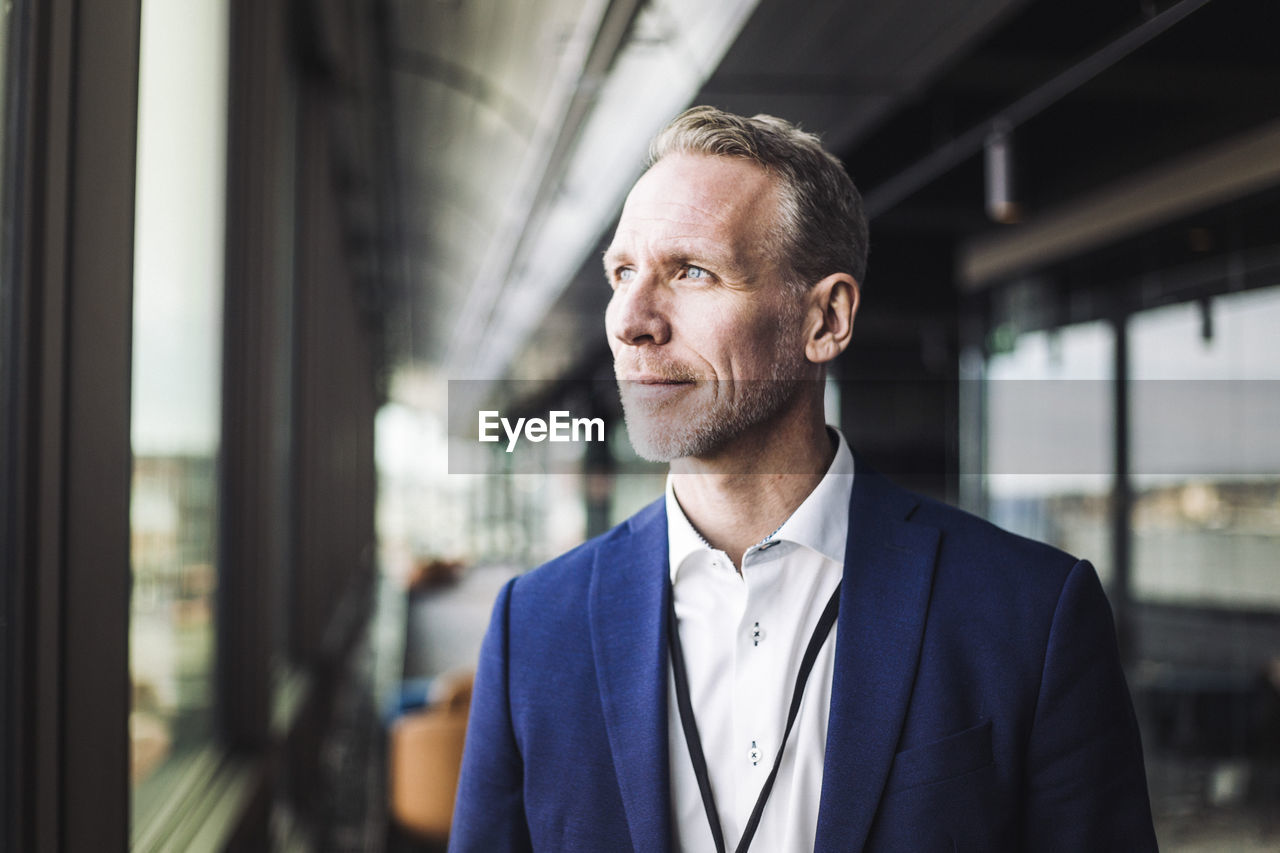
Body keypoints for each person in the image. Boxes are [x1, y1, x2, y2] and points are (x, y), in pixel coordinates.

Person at [449, 106, 1158, 852]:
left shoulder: (1030, 616)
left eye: (690, 270)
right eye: (623, 273)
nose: (631, 320)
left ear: (825, 319)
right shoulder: (532, 628)